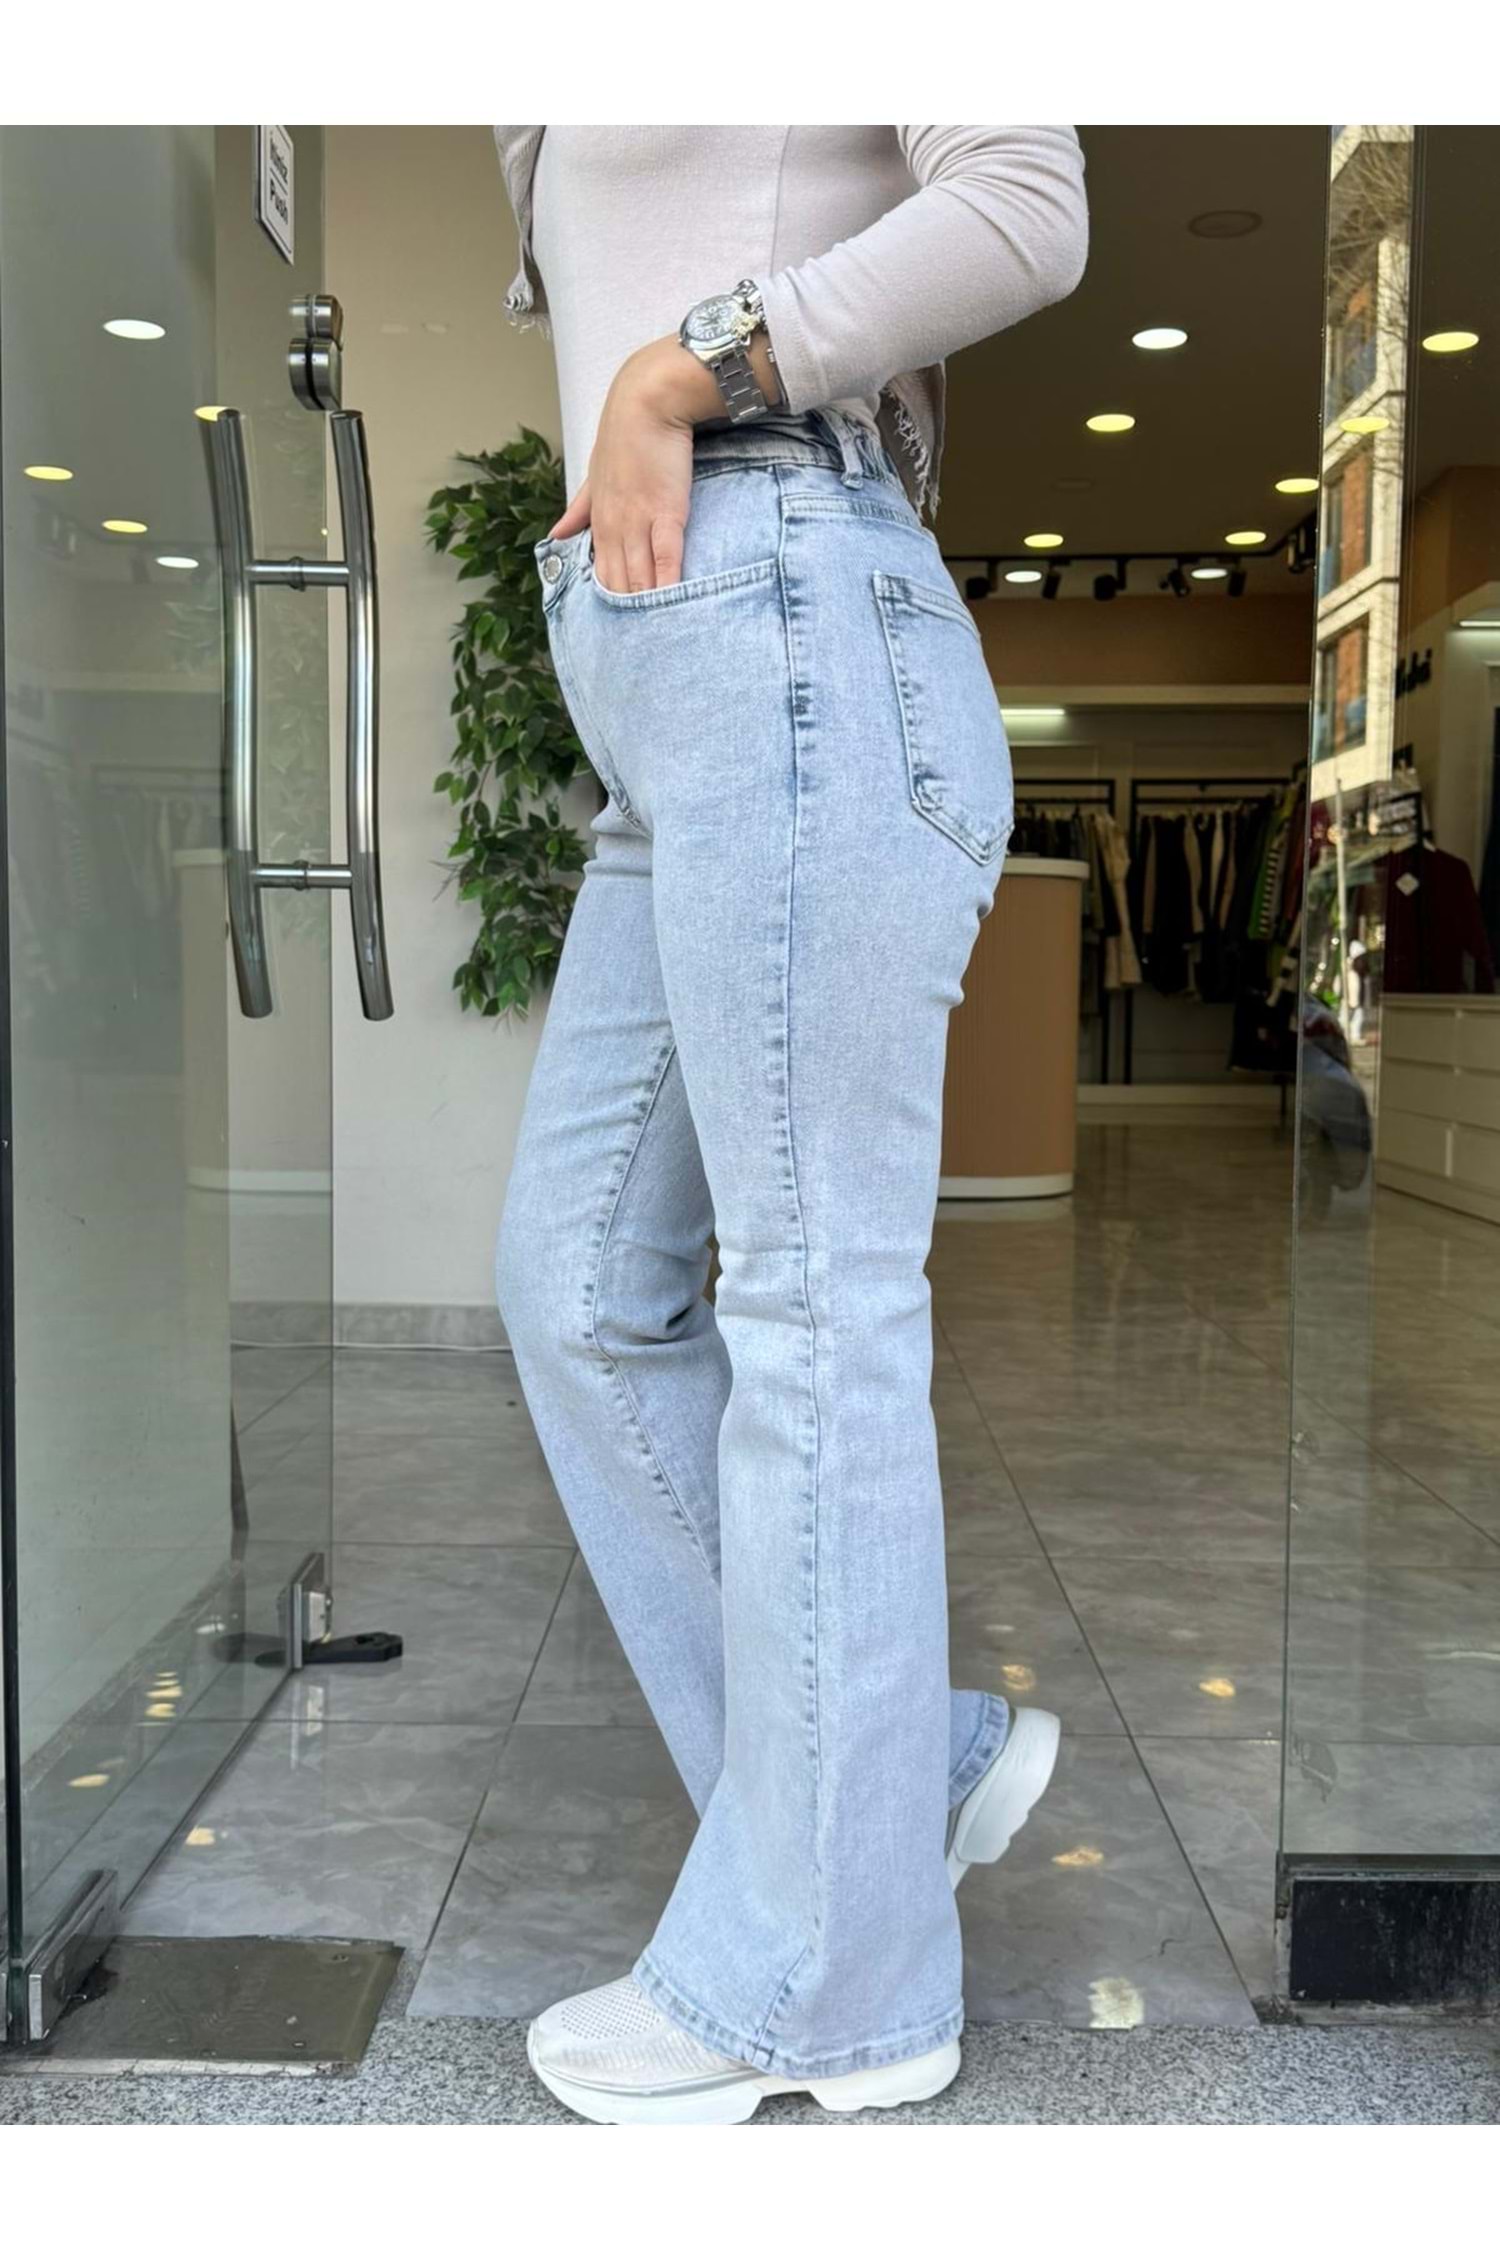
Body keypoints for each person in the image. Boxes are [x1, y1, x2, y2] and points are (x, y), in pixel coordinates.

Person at [492, 125, 1089, 2125]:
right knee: (576, 1286)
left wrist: (689, 369)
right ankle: (893, 1783)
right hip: (681, 671)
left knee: (816, 1306)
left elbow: (1026, 202)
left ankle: (831, 1989)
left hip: (787, 629)